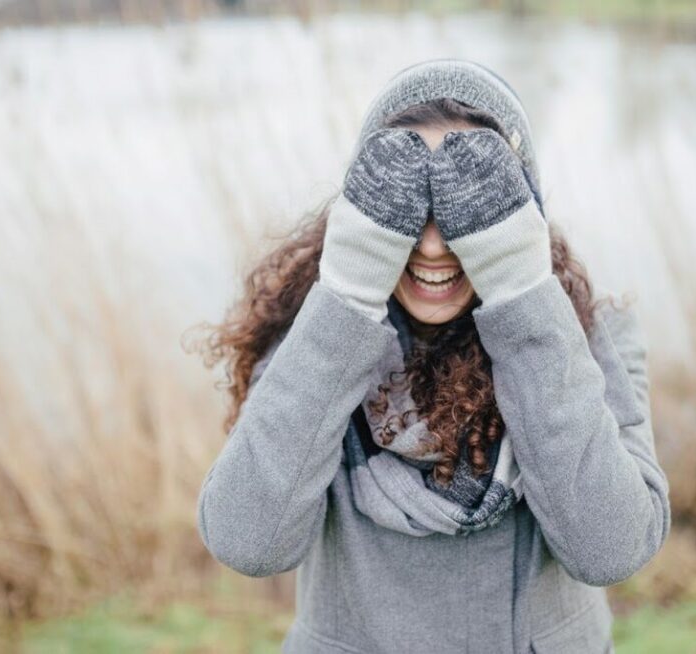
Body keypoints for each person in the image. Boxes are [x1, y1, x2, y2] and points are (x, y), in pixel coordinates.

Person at [194, 58, 671, 654]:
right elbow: (248, 542)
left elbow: (612, 548)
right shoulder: (312, 336)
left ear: (518, 216)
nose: (433, 243)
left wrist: (523, 296)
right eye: (405, 200)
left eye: (470, 205)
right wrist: (346, 296)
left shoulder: (588, 335)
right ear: (363, 213)